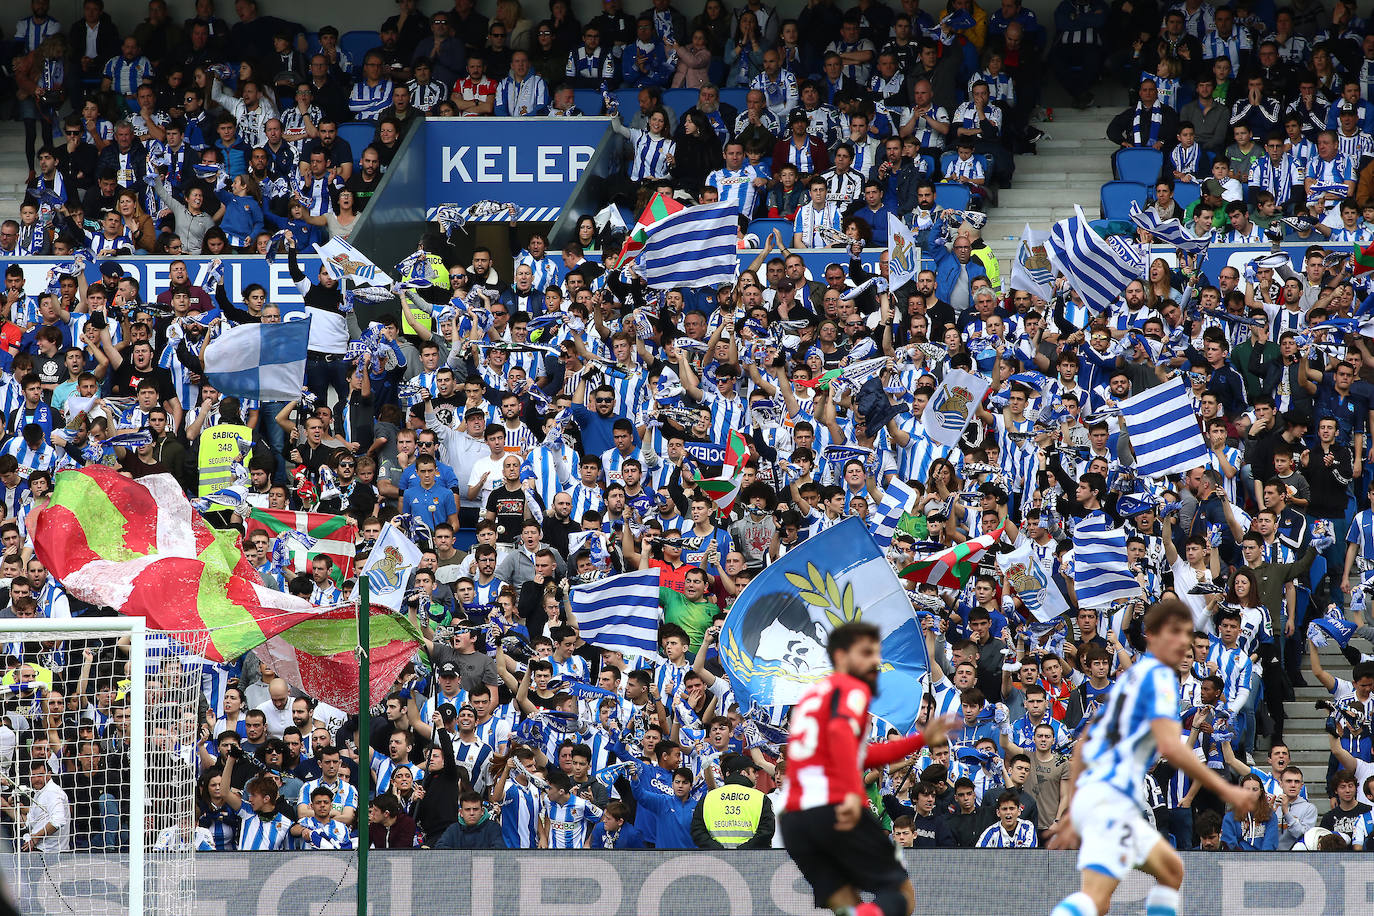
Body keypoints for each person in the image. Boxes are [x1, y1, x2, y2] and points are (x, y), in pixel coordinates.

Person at [1048, 600, 1253, 916]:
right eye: (1175, 633)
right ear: (1152, 635)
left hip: (1104, 795)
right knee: (1101, 895)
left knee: (1163, 874)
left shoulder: (1138, 676)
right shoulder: (1157, 678)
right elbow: (1171, 749)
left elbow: (1086, 741)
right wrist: (1228, 790)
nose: (1184, 641)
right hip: (1110, 797)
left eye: (1187, 633)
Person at [780, 622, 953, 916]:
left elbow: (860, 753)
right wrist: (848, 793)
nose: (875, 660)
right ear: (841, 656)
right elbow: (842, 743)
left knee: (848, 904)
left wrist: (920, 739)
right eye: (866, 652)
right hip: (835, 809)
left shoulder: (812, 698)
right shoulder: (851, 692)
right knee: (902, 895)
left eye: (876, 652)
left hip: (796, 822)